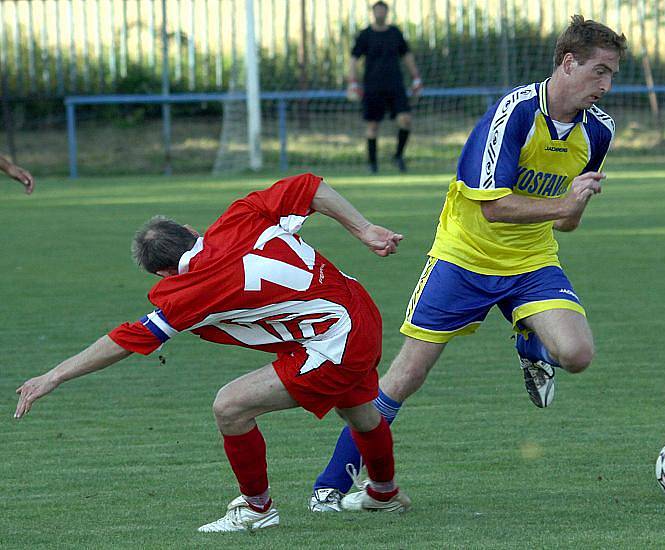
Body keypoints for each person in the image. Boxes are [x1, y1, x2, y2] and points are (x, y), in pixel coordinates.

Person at [309, 15, 627, 512]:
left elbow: (566, 224)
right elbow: (492, 206)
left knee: (578, 355)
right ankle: (330, 485)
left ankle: (531, 339)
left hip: (530, 261)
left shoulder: (599, 133)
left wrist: (575, 203)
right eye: (600, 71)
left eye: (612, 75)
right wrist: (564, 204)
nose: (606, 85)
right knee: (404, 377)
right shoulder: (516, 112)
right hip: (463, 258)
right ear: (569, 62)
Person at [14, 173, 411, 532]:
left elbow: (126, 339)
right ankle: (384, 494)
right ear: (190, 230)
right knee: (358, 411)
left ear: (162, 275)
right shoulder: (241, 214)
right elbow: (310, 185)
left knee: (230, 406)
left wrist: (54, 376)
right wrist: (363, 229)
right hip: (359, 311)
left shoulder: (188, 290)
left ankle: (257, 509)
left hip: (334, 340)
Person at [347, 1, 422, 174]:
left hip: (395, 86)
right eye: (377, 10)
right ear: (373, 13)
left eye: (383, 10)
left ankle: (398, 156)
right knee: (372, 126)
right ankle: (372, 164)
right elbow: (353, 59)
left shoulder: (395, 33)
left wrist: (416, 78)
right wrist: (352, 82)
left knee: (405, 120)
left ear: (387, 12)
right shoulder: (365, 35)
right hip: (373, 88)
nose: (380, 13)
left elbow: (407, 56)